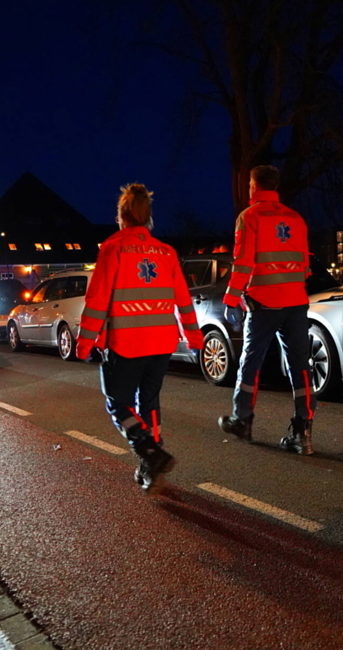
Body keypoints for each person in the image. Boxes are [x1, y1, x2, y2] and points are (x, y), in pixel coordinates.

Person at [75, 184, 204, 492]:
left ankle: (150, 451)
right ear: (148, 217)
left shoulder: (113, 248)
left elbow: (97, 300)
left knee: (117, 403)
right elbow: (183, 299)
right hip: (162, 343)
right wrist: (193, 336)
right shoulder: (166, 252)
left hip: (126, 343)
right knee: (149, 403)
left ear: (121, 216)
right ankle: (151, 465)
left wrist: (84, 343)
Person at [217, 165, 317, 455]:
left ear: (254, 186)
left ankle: (242, 419)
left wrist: (231, 297)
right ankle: (304, 432)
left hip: (263, 302)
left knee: (252, 361)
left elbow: (243, 261)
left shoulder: (250, 217)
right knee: (300, 366)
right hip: (296, 302)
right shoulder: (296, 219)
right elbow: (305, 267)